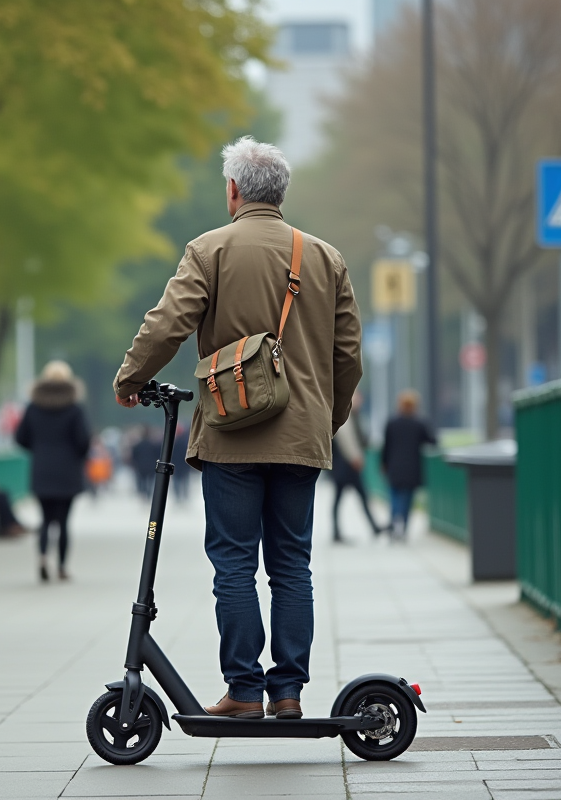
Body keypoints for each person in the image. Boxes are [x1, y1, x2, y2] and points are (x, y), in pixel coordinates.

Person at [112, 136, 362, 720]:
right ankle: (290, 692)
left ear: (232, 191)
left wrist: (131, 378)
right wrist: (327, 417)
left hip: (230, 435)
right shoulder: (325, 258)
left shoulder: (209, 250)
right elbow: (347, 355)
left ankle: (245, 691)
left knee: (233, 563)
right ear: (281, 193)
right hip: (301, 437)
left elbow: (167, 324)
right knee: (292, 565)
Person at [15, 360, 91, 582]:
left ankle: (41, 557)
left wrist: (39, 450)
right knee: (64, 522)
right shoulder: (75, 409)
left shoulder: (33, 407)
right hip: (67, 470)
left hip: (42, 468)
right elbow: (83, 441)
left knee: (45, 520)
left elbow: (20, 437)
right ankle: (62, 567)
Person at [380, 390, 438, 540]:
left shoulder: (392, 423)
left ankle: (394, 522)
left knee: (394, 496)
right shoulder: (419, 423)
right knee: (407, 498)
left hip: (394, 466)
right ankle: (403, 525)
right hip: (412, 468)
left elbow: (386, 446)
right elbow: (432, 441)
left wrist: (384, 463)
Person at [330, 392, 386, 543]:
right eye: (357, 398)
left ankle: (338, 531)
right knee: (359, 496)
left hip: (344, 465)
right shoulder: (346, 416)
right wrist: (356, 457)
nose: (360, 401)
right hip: (347, 465)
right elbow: (346, 439)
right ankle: (372, 527)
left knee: (343, 499)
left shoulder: (353, 415)